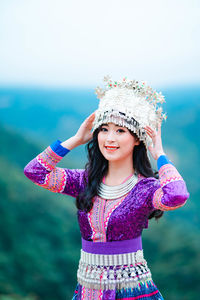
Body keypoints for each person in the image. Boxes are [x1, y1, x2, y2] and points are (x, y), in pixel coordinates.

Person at [24, 76, 189, 300]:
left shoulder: (146, 188)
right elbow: (35, 172)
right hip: (87, 290)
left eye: (120, 131)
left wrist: (159, 155)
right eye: (104, 129)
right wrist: (75, 139)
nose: (109, 139)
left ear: (138, 138)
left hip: (133, 291)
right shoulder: (84, 181)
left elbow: (177, 195)